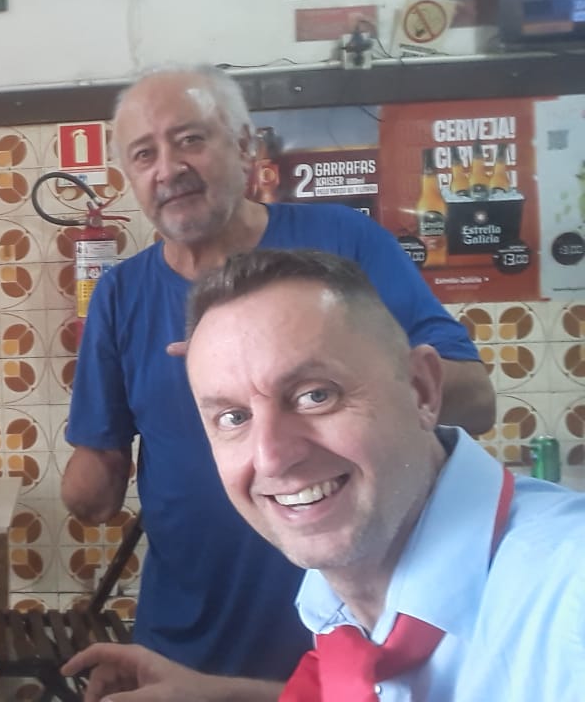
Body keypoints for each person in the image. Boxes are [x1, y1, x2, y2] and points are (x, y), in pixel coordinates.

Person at [63, 63, 496, 683]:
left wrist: (326, 368)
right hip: (184, 636)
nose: (168, 168)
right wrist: (79, 482)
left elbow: (476, 399)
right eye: (144, 154)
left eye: (190, 139)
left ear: (245, 147)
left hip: (363, 630)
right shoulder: (120, 293)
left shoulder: (343, 241)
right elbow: (96, 482)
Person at [63, 248, 584, 700]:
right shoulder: (339, 587)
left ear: (423, 391)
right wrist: (213, 694)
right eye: (234, 418)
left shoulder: (565, 596)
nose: (272, 458)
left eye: (316, 395)